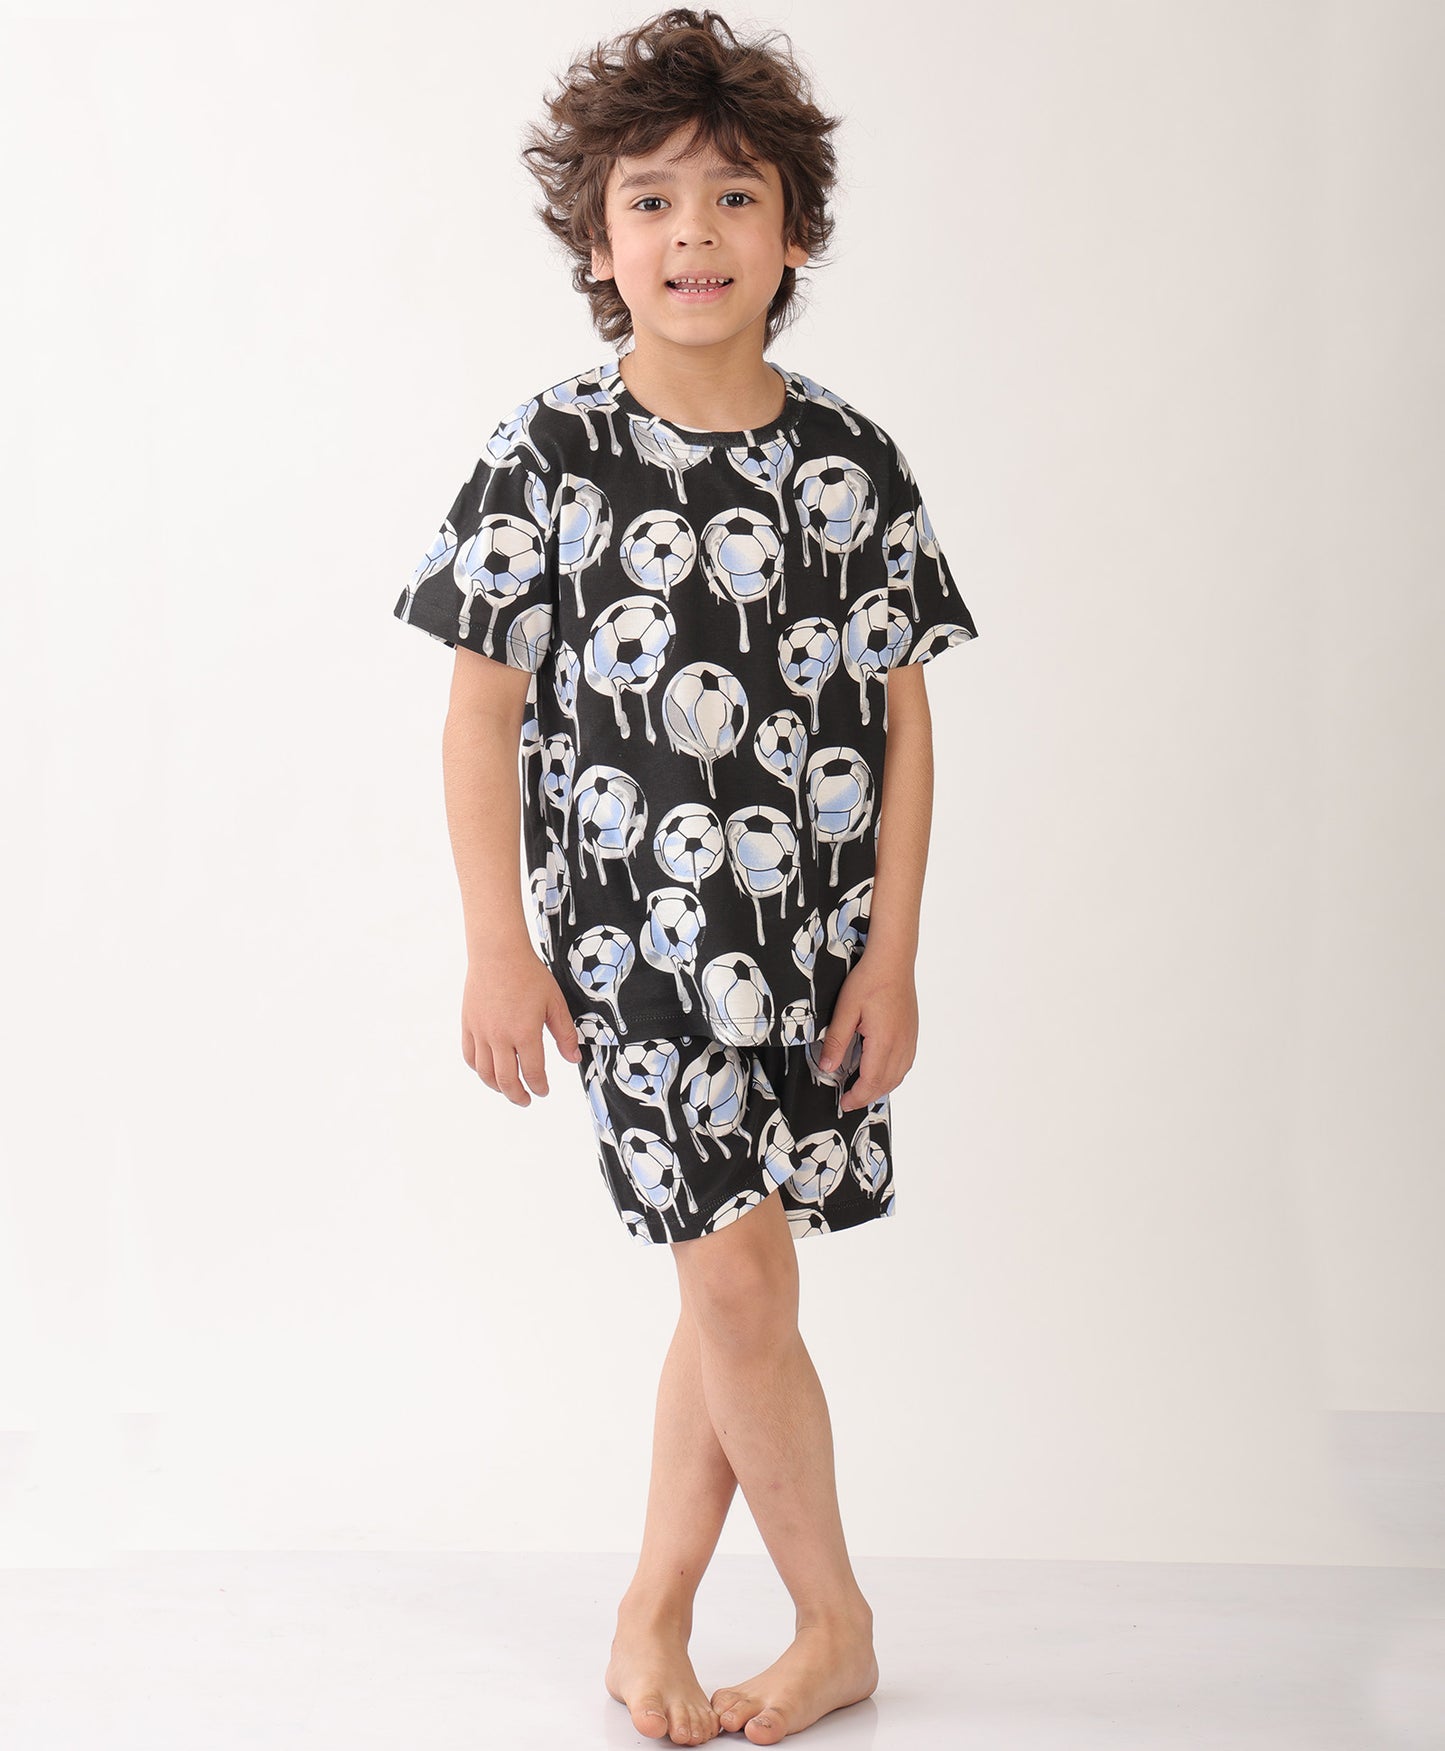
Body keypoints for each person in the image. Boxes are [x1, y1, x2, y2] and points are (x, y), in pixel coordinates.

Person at [391, 10, 979, 1743]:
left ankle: (647, 1612)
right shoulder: (546, 455)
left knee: (735, 1286)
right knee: (733, 1279)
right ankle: (833, 1622)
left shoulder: (855, 463)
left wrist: (893, 956)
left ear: (794, 233)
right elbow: (479, 714)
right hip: (632, 956)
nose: (693, 233)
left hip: (812, 949)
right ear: (597, 242)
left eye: (734, 196)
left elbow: (905, 723)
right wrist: (496, 946)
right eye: (649, 200)